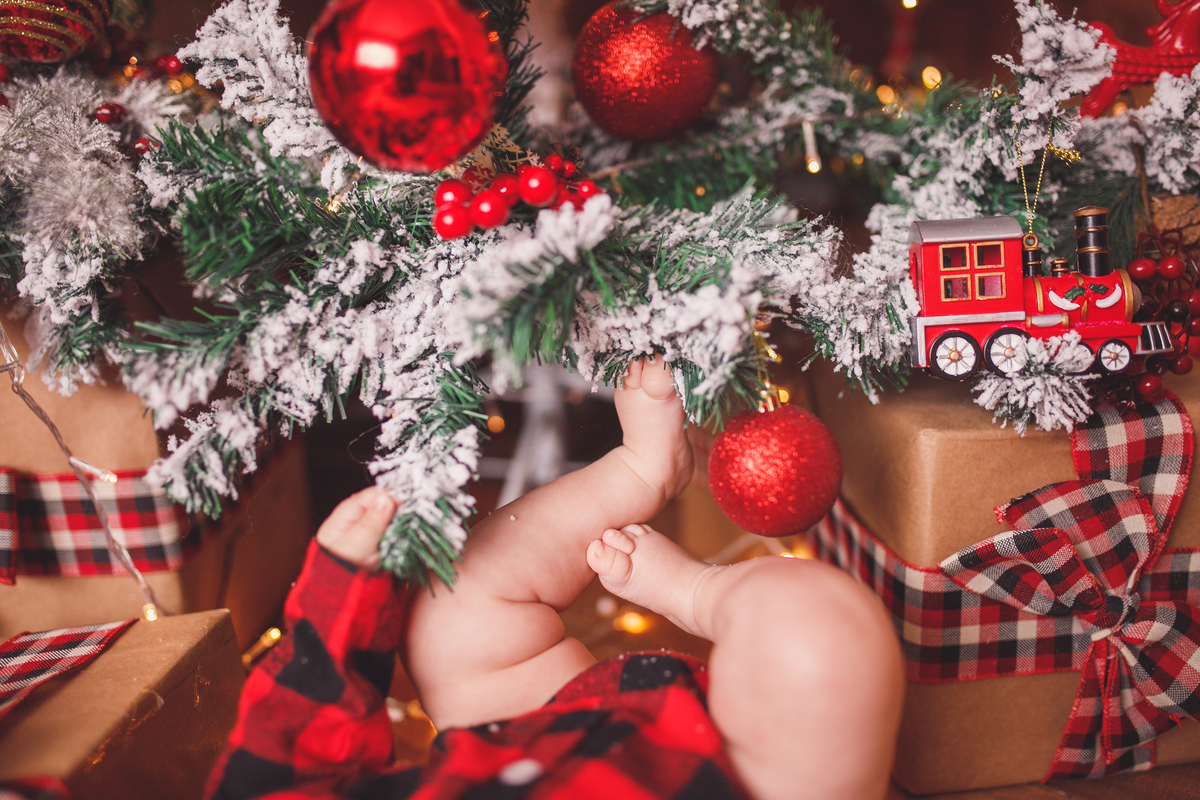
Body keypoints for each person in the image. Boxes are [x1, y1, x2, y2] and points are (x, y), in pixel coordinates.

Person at [206, 357, 903, 800]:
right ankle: (698, 593)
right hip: (728, 777)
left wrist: (334, 608)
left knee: (451, 617)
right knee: (821, 637)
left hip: (514, 731)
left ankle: (639, 471)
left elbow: (283, 762)